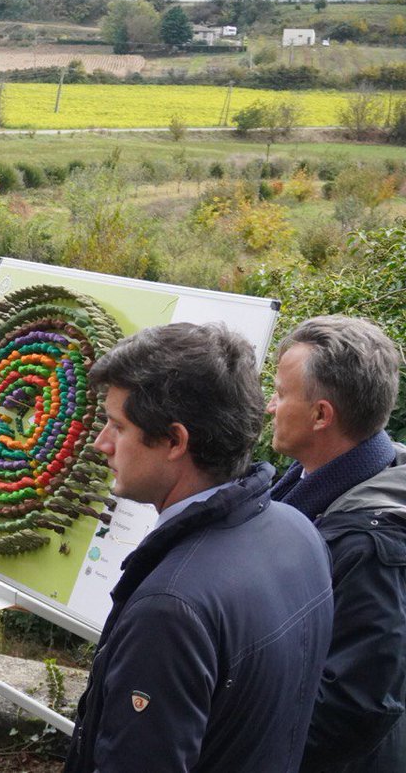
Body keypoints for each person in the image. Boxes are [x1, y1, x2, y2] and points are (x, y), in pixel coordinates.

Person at [64, 322, 333, 773]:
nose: (101, 444)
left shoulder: (170, 610)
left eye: (117, 426)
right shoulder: (297, 530)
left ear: (174, 441)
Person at [267, 315, 406, 772]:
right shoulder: (323, 488)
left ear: (321, 415)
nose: (271, 406)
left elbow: (350, 708)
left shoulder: (366, 544)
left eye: (282, 394)